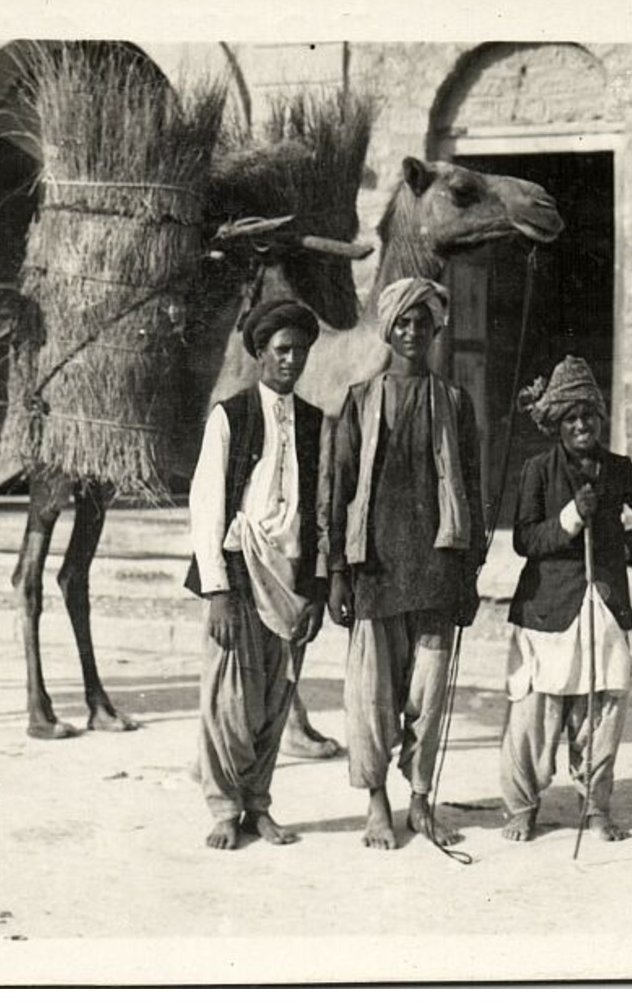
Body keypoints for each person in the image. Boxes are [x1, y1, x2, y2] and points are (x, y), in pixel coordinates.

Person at [326, 277, 483, 851]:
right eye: (404, 323)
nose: (414, 333)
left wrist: (469, 574)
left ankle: (420, 800)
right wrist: (337, 572)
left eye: (424, 323)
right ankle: (376, 802)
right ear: (389, 330)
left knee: (430, 694)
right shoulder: (361, 400)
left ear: (437, 330)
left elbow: (473, 488)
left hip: (436, 568)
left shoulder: (455, 403)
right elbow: (339, 489)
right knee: (371, 697)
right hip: (375, 569)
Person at [500, 355, 632, 843]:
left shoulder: (618, 470)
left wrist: (620, 553)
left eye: (588, 416)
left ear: (600, 418)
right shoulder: (538, 471)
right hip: (547, 609)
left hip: (603, 605)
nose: (581, 426)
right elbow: (525, 540)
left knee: (601, 710)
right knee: (535, 711)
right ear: (557, 423)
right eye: (571, 418)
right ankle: (522, 806)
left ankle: (595, 807)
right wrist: (571, 518)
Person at [185, 298, 327, 851]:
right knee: (229, 698)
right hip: (240, 573)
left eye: (300, 351)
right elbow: (206, 505)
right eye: (282, 350)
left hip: (289, 580)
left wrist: (313, 588)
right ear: (261, 354)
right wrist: (216, 588)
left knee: (275, 695)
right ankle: (224, 809)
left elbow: (319, 509)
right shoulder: (231, 415)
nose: (291, 360)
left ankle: (259, 806)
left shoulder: (315, 421)